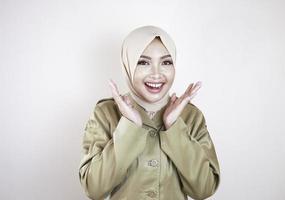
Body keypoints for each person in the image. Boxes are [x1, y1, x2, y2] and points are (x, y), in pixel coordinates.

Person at [78, 25, 220, 200]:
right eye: (143, 62)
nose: (156, 74)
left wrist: (174, 127)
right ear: (128, 65)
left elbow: (204, 189)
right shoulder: (106, 113)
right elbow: (94, 188)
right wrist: (130, 127)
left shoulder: (191, 116)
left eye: (166, 62)